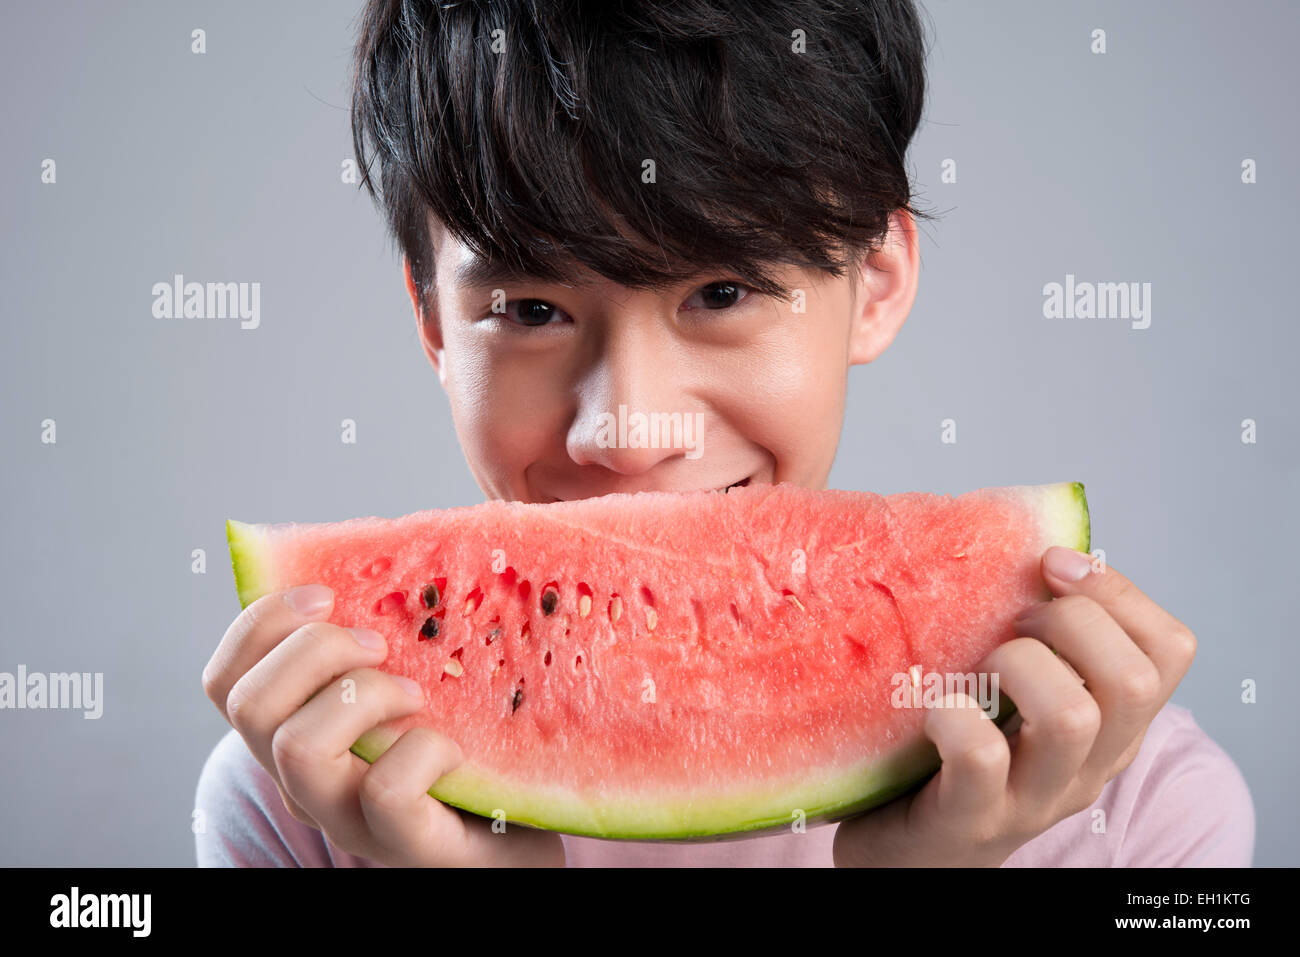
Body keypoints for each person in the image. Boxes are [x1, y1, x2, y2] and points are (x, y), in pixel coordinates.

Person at [196, 0, 1253, 867]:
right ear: (432, 322)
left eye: (723, 289)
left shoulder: (1145, 812)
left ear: (874, 281)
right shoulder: (302, 798)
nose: (626, 430)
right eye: (528, 311)